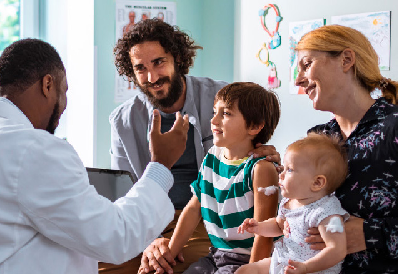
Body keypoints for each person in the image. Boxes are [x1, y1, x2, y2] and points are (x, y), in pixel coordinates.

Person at [0, 38, 190, 274]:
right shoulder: (34, 149)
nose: (64, 104)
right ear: (47, 85)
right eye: (64, 90)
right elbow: (116, 237)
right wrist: (161, 163)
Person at [107, 19, 280, 274]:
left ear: (177, 58)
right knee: (95, 266)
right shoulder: (123, 121)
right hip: (147, 220)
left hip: (205, 220)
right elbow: (124, 194)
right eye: (140, 68)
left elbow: (252, 154)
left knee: (162, 269)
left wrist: (270, 158)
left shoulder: (224, 98)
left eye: (159, 62)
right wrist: (148, 239)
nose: (152, 77)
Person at [294, 25, 398, 273]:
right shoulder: (319, 137)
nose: (298, 79)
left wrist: (371, 234)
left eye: (306, 64)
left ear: (346, 60)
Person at [167, 82, 281, 273]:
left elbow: (264, 235)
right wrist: (169, 255)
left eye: (226, 113)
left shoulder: (261, 169)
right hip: (216, 255)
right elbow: (194, 208)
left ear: (254, 126)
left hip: (248, 260)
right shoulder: (213, 157)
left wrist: (253, 270)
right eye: (214, 112)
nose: (214, 120)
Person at [237, 133, 349, 274]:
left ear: (317, 183)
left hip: (312, 269)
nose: (281, 174)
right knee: (244, 271)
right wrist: (258, 227)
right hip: (285, 261)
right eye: (284, 168)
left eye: (290, 170)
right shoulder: (289, 202)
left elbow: (337, 250)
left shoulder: (327, 212)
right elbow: (278, 225)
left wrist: (306, 267)